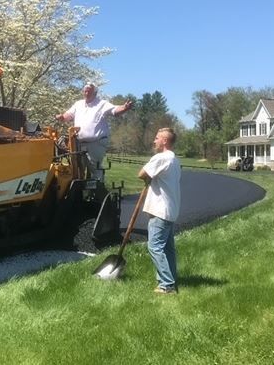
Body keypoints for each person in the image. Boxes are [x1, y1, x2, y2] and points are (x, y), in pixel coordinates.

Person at [55, 82, 132, 180]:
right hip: (79, 143)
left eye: (89, 92)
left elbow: (115, 111)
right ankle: (81, 192)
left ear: (95, 93)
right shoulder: (78, 104)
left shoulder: (102, 104)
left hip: (96, 143)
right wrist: (62, 117)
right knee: (78, 170)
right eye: (85, 91)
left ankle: (98, 192)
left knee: (95, 169)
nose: (86, 93)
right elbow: (68, 115)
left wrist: (125, 108)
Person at [138, 127, 181, 294]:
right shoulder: (175, 161)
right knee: (168, 248)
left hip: (160, 210)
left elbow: (141, 173)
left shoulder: (161, 158)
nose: (154, 141)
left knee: (155, 247)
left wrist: (149, 176)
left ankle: (167, 285)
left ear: (164, 141)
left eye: (157, 138)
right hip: (170, 210)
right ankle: (171, 279)